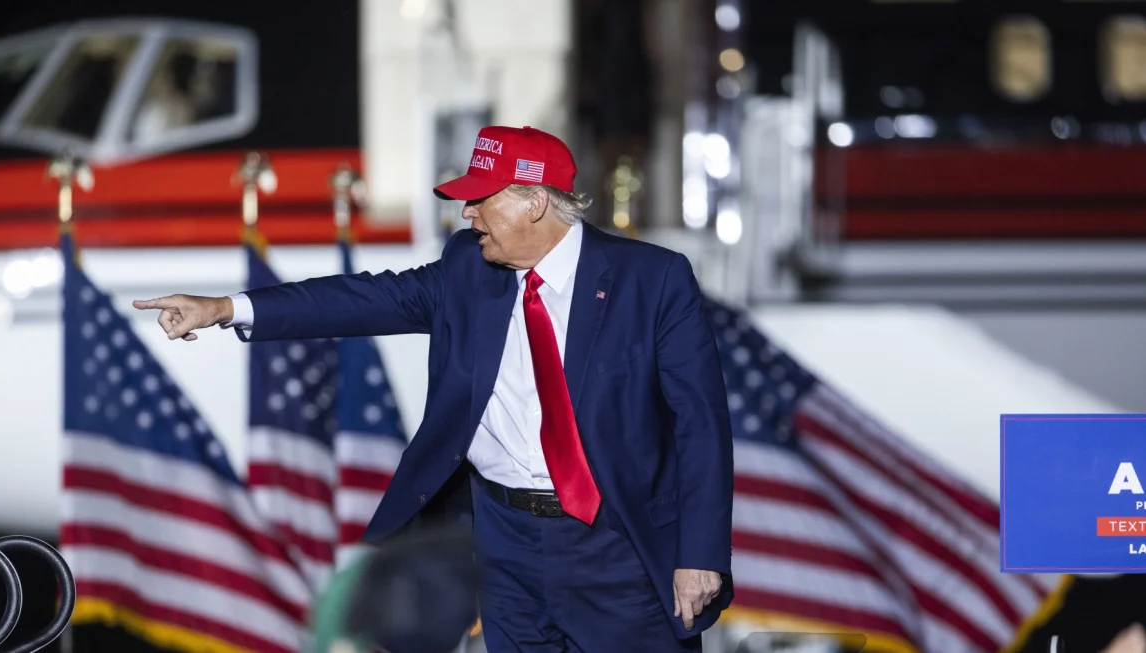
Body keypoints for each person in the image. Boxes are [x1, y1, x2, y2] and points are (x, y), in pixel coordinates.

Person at [133, 125, 734, 652]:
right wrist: (223, 307)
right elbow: (363, 299)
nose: (466, 214)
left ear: (533, 203)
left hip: (617, 545)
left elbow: (701, 425)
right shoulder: (468, 268)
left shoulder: (652, 280)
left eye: (481, 198)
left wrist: (701, 553)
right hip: (505, 544)